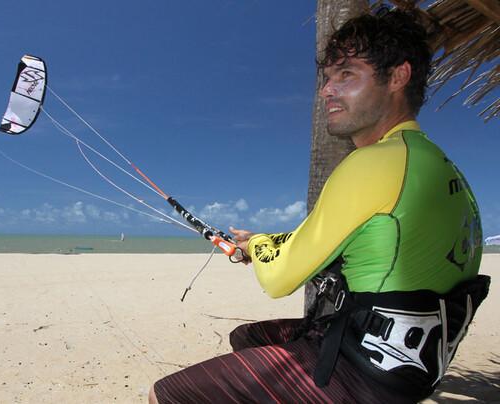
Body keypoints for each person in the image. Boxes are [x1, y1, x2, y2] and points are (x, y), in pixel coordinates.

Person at [149, 8, 490, 403]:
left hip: (366, 373)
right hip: (418, 366)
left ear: (398, 76)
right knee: (250, 337)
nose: (327, 89)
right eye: (327, 78)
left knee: (169, 394)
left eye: (346, 74)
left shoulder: (374, 163)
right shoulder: (439, 167)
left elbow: (278, 280)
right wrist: (258, 240)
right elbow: (336, 239)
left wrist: (258, 250)